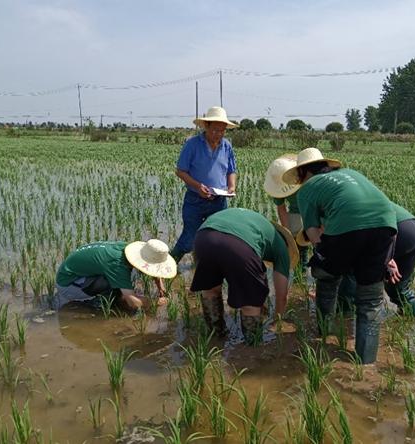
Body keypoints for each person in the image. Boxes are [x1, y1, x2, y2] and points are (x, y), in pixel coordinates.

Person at [282, 147, 397, 364]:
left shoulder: (307, 189)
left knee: (323, 273)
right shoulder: (353, 174)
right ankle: (366, 365)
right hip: (387, 226)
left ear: (302, 173)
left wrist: (328, 261)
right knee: (371, 302)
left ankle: (323, 332)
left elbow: (314, 234)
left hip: (349, 228)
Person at [190, 208, 299, 345]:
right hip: (240, 246)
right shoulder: (282, 248)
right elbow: (281, 296)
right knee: (250, 302)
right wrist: (278, 320)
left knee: (210, 290)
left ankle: (216, 336)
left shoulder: (258, 224)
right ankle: (251, 348)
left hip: (203, 238)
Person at [170, 106, 238, 265]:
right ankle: (168, 269)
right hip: (195, 200)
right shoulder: (192, 144)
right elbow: (180, 171)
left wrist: (232, 186)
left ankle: (203, 268)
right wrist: (198, 186)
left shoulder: (226, 146)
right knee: (189, 238)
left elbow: (231, 170)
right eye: (214, 130)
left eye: (222, 130)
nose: (218, 134)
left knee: (217, 237)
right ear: (206, 127)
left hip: (219, 201)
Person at [337, 202, 415, 318]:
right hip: (413, 227)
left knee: (352, 270)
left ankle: (343, 316)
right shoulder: (361, 194)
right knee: (398, 287)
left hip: (391, 229)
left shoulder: (336, 206)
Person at [54, 239, 176, 311]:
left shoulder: (126, 249)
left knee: (122, 280)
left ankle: (113, 296)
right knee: (115, 284)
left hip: (78, 274)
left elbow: (152, 267)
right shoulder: (117, 265)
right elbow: (133, 303)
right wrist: (155, 302)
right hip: (67, 285)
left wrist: (161, 288)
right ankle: (99, 303)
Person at [263, 154, 310, 266]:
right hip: (295, 212)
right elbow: (281, 209)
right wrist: (288, 234)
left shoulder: (305, 175)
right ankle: (301, 265)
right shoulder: (277, 185)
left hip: (313, 207)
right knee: (297, 239)